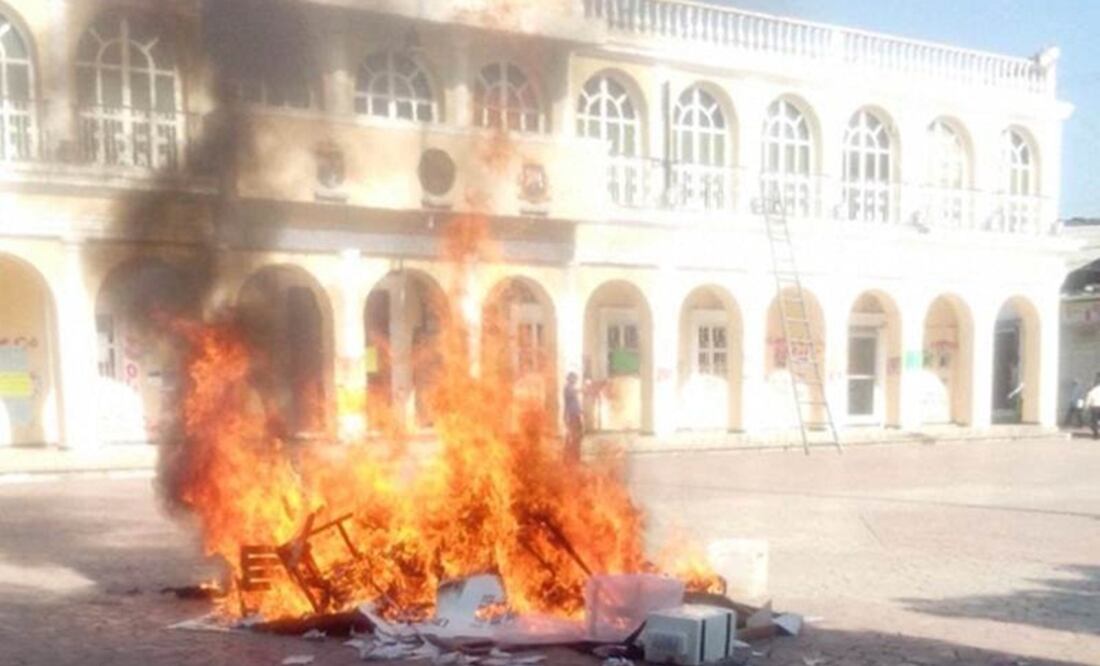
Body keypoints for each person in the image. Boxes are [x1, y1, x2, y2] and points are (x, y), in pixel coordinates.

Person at [562, 372, 584, 461]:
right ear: (570, 379)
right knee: (575, 435)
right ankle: (571, 456)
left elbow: (575, 402)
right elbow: (575, 392)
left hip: (575, 415)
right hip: (572, 415)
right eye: (574, 378)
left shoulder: (571, 388)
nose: (575, 380)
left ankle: (574, 455)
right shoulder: (568, 388)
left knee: (577, 435)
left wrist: (581, 411)